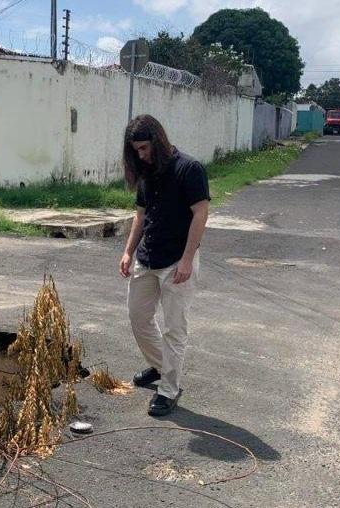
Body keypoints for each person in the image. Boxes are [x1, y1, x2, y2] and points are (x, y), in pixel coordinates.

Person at [119, 114, 210, 417]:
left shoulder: (190, 168)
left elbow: (200, 214)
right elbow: (140, 215)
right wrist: (128, 251)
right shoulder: (147, 172)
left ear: (157, 141)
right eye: (136, 151)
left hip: (177, 261)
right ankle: (161, 366)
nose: (141, 155)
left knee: (174, 329)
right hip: (147, 257)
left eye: (144, 148)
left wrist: (187, 259)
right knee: (138, 317)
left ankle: (169, 389)